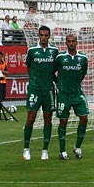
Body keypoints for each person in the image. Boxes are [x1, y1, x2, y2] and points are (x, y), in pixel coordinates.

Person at [23, 25, 60, 160]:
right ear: (38, 36)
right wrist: (34, 81)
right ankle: (26, 149)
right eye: (42, 35)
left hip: (49, 89)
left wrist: (56, 83)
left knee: (48, 119)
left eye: (46, 35)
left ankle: (45, 150)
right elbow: (28, 67)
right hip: (35, 89)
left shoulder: (54, 51)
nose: (44, 37)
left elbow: (54, 70)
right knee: (31, 118)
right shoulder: (32, 50)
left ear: (49, 36)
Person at [53, 34, 89, 159]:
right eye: (69, 41)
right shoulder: (60, 57)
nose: (71, 43)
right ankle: (62, 151)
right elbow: (53, 71)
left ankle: (77, 147)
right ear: (66, 43)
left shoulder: (83, 58)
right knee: (63, 121)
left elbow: (83, 73)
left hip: (77, 93)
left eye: (73, 41)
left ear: (77, 42)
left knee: (84, 118)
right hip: (63, 94)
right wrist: (59, 84)